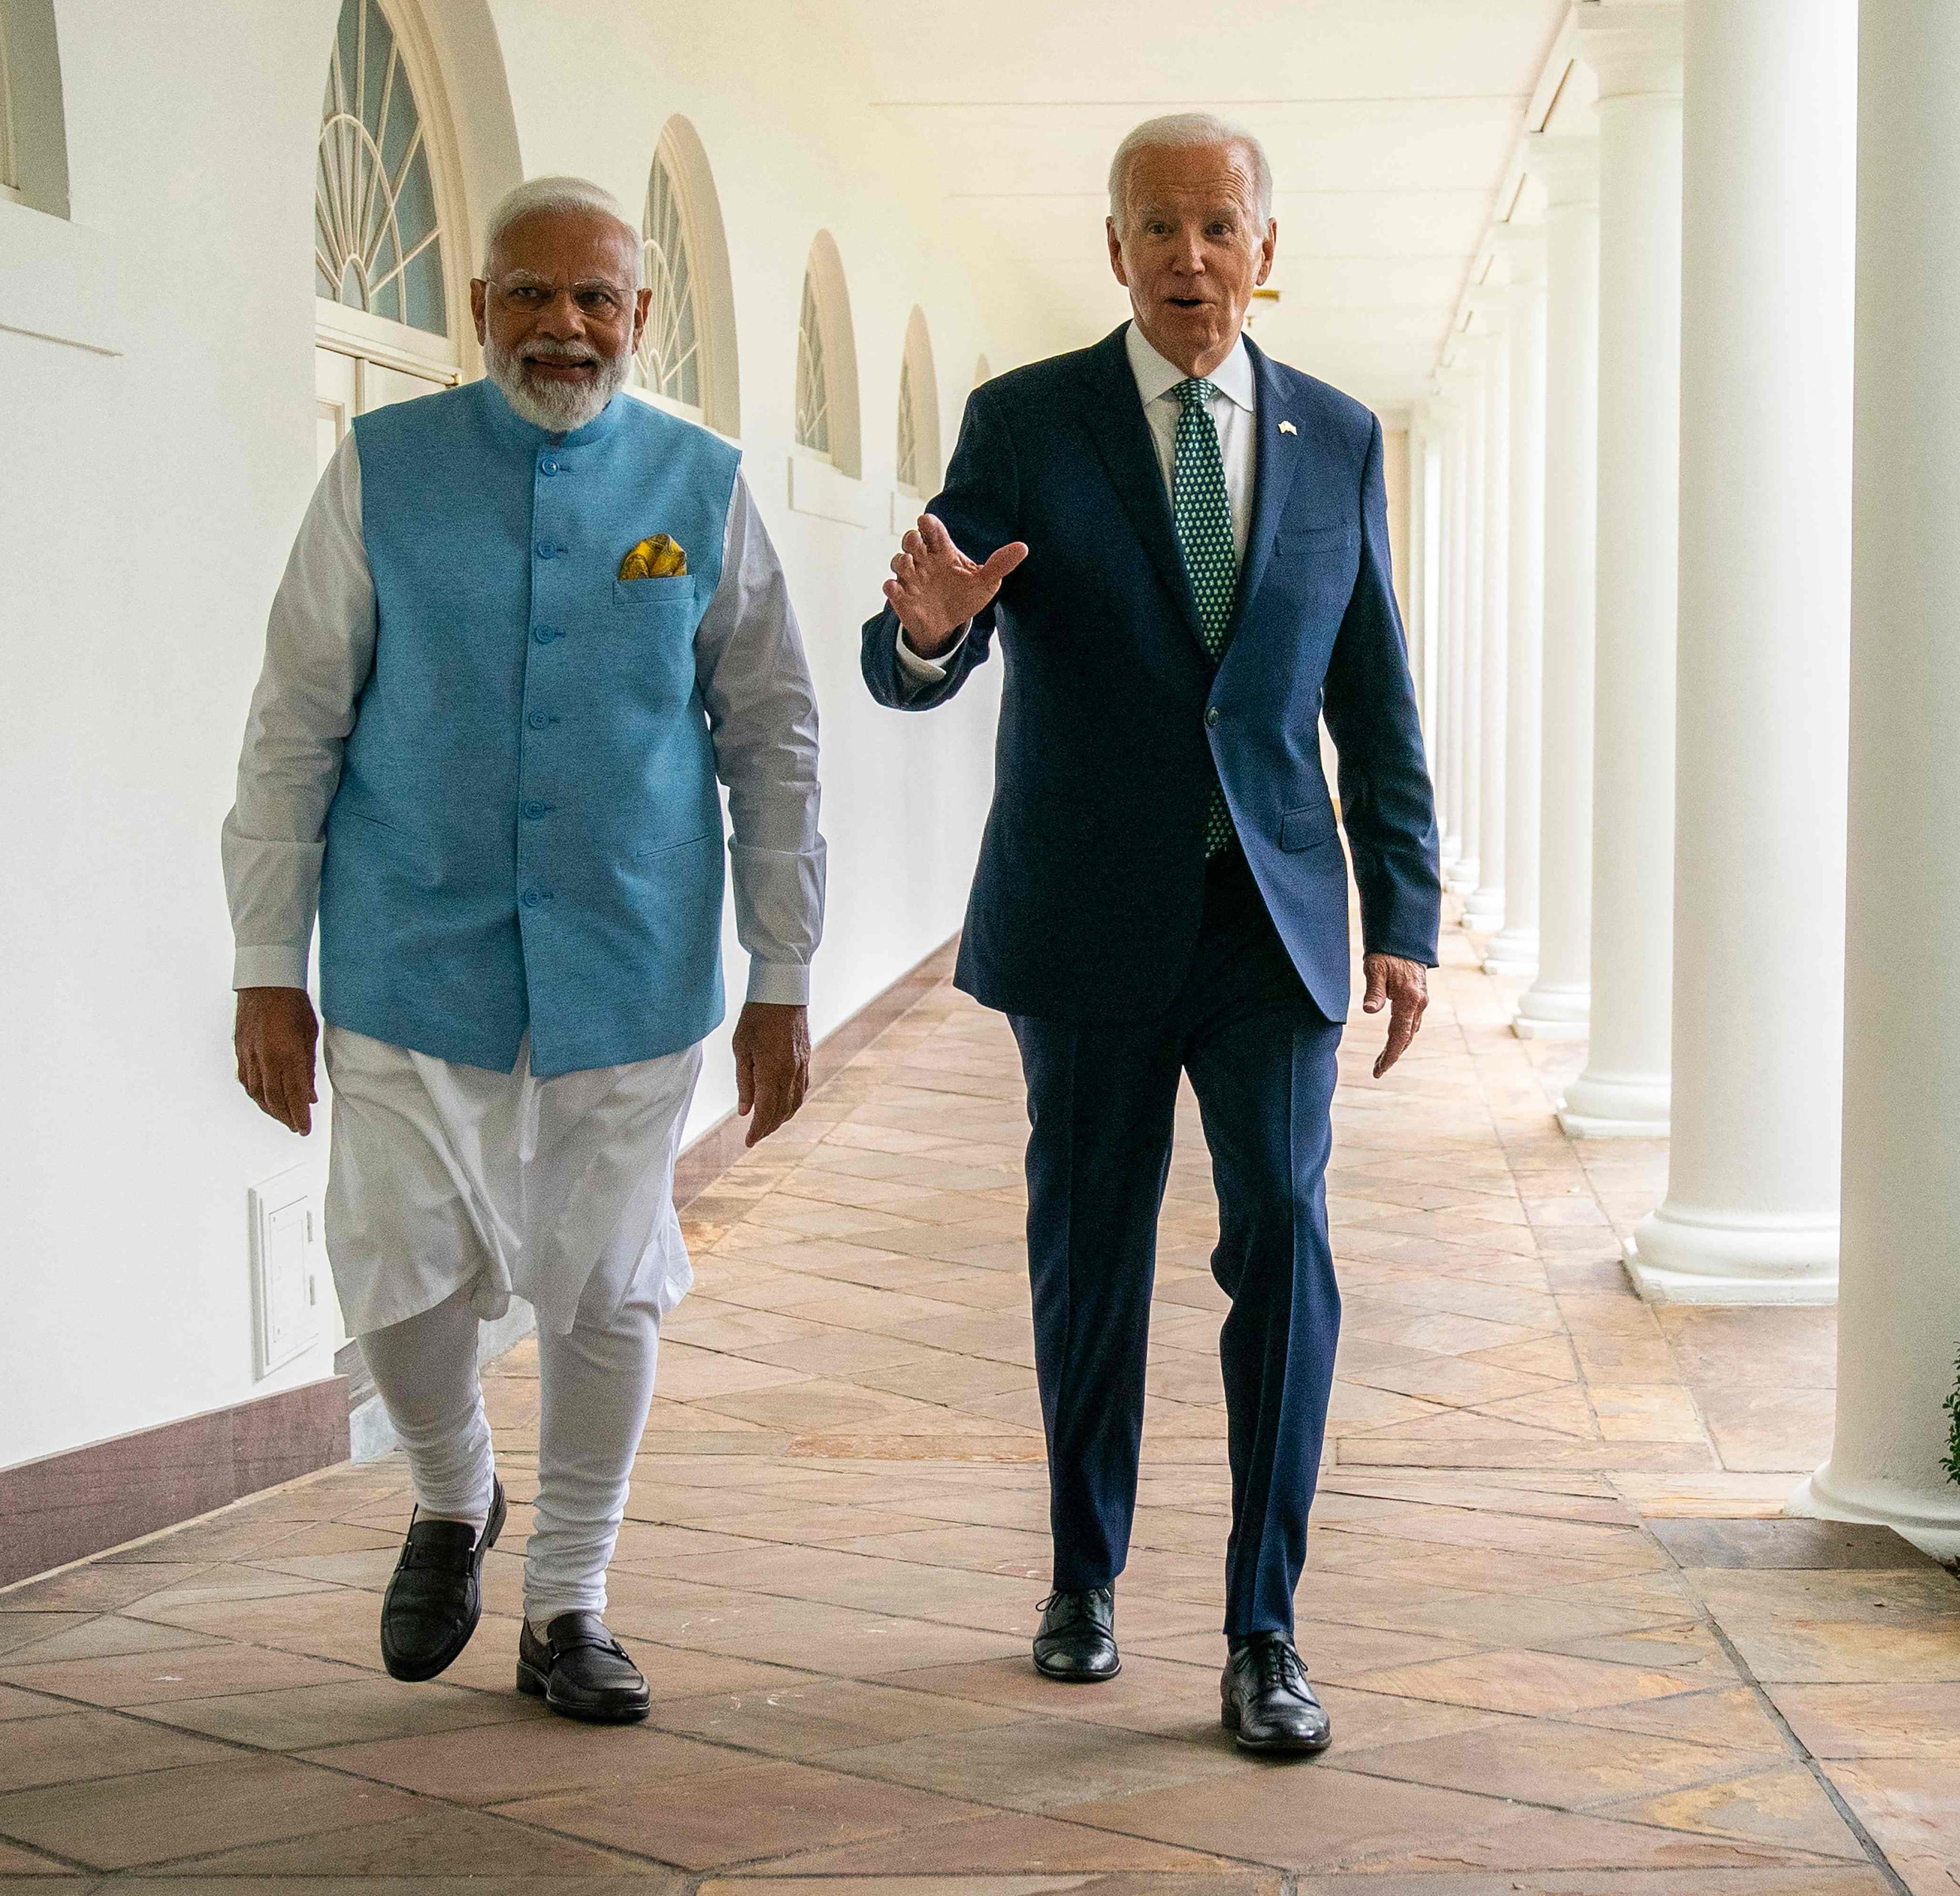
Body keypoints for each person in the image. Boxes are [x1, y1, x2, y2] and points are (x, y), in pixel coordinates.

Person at [860, 114, 1437, 1755]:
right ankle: (1082, 1577)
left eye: (1220, 226)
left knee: (1287, 1246)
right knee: (1090, 1255)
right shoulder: (1026, 421)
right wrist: (921, 637)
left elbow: (1372, 691)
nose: (1191, 257)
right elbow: (928, 625)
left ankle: (1267, 1630)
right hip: (1089, 917)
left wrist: (1407, 910)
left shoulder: (1336, 436)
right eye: (1157, 229)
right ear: (1112, 250)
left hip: (1271, 922)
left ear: (1269, 247)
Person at [223, 175, 824, 1726]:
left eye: (595, 297)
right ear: (478, 309)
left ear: (639, 316)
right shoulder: (382, 472)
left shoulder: (699, 485)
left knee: (607, 1292)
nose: (563, 324)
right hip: (406, 956)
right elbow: (295, 720)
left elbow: (772, 735)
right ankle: (450, 1489)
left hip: (631, 963)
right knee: (397, 1289)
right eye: (529, 294)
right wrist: (262, 961)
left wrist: (782, 974)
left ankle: (570, 1600)